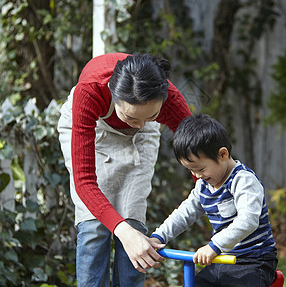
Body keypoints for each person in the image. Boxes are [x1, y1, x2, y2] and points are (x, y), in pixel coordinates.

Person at [57, 52, 192, 286]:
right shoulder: (90, 92)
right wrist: (124, 233)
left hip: (139, 139)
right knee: (94, 226)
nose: (139, 125)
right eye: (132, 117)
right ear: (112, 92)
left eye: (151, 115)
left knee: (133, 218)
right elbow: (85, 183)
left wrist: (218, 203)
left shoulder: (166, 98)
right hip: (94, 129)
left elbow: (197, 151)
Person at [150, 114, 278, 287]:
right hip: (222, 260)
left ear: (223, 154)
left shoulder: (243, 181)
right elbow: (184, 213)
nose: (196, 175)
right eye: (191, 170)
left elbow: (248, 220)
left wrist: (214, 246)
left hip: (254, 261)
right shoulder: (203, 186)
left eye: (200, 168)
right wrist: (159, 236)